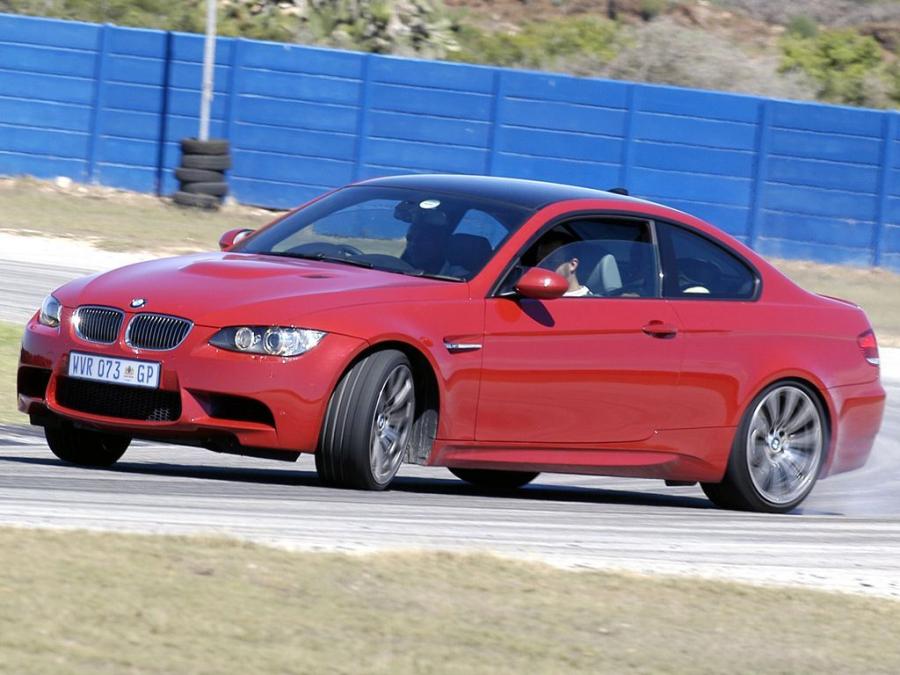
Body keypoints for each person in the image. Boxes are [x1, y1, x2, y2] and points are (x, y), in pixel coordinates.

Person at [534, 231, 592, 297]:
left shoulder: (592, 303)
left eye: (551, 262)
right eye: (540, 263)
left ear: (573, 265)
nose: (543, 268)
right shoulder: (533, 298)